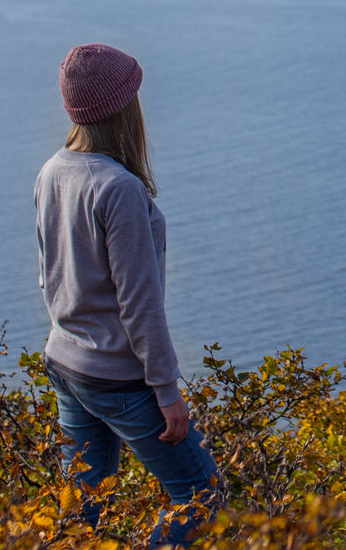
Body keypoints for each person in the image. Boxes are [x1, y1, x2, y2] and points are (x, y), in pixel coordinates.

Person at [35, 43, 220, 546]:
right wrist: (166, 391)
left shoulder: (52, 170)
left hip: (65, 362)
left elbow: (48, 275)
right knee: (201, 496)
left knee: (83, 509)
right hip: (117, 378)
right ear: (123, 107)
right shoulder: (117, 187)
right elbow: (139, 305)